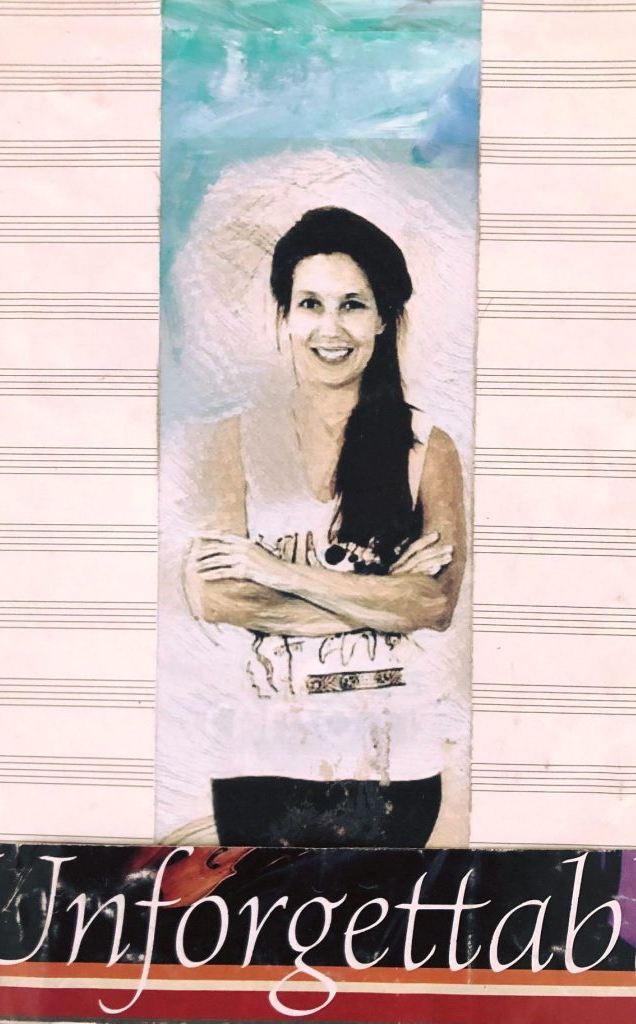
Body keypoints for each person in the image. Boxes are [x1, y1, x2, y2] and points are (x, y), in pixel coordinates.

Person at [184, 206, 466, 847]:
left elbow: (434, 603)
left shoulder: (428, 448)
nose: (330, 328)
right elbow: (216, 595)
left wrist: (274, 571)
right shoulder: (231, 442)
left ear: (383, 318)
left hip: (393, 761)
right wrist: (384, 598)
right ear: (285, 316)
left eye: (353, 305)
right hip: (259, 756)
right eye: (310, 304)